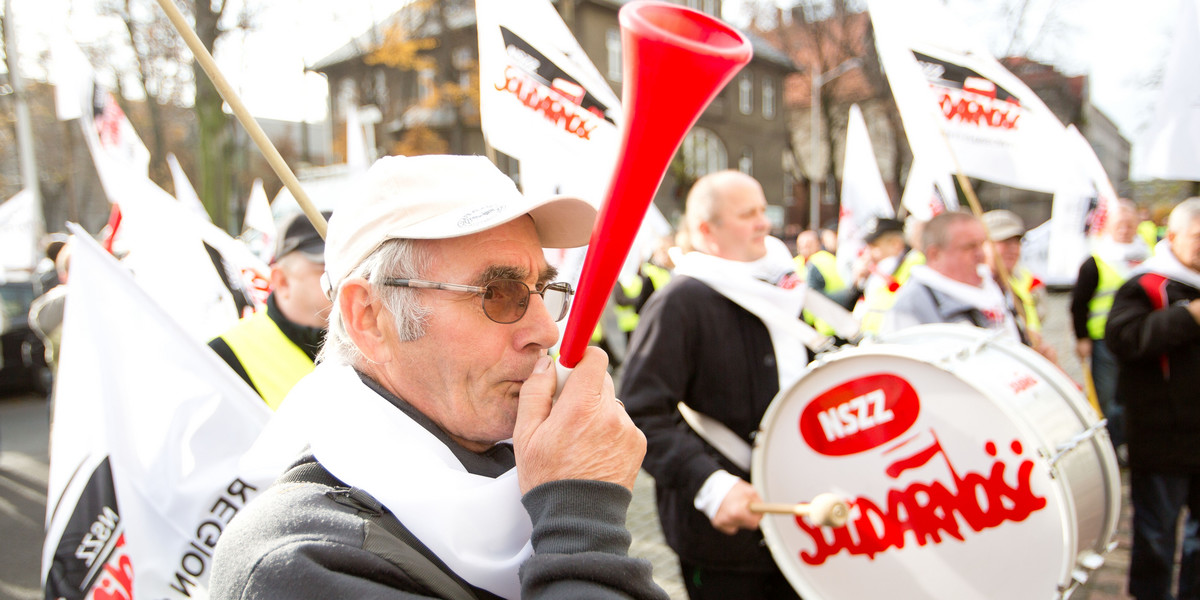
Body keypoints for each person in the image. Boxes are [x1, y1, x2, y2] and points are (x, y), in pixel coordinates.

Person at [209, 155, 665, 600]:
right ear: (370, 317)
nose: (546, 330)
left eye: (544, 290)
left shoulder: (517, 461)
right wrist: (582, 513)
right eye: (498, 294)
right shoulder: (296, 566)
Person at [620, 170, 808, 600]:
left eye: (763, 210)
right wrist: (710, 484)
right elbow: (638, 413)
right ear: (708, 230)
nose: (765, 223)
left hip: (795, 523)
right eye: (748, 215)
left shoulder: (782, 289)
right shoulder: (680, 302)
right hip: (725, 545)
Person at [1105, 197, 1200, 600]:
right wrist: (1188, 316)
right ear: (1173, 237)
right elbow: (1124, 339)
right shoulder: (1144, 283)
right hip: (1164, 438)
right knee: (1157, 539)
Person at [208, 212, 333, 410]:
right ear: (282, 282)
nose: (348, 279)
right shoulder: (222, 357)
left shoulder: (377, 343)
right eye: (328, 270)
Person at [1071, 198, 1148, 459]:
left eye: (1129, 224)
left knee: (1133, 396)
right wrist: (1082, 337)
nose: (1125, 229)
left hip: (1140, 338)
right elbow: (1079, 303)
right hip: (1105, 340)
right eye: (1120, 225)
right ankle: (1111, 450)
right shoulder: (1096, 260)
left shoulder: (1146, 256)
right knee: (1108, 400)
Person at [881, 211, 1022, 342]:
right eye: (969, 247)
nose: (981, 255)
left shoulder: (989, 287)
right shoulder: (913, 305)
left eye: (982, 244)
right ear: (935, 254)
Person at [981, 209, 1056, 361]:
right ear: (982, 245)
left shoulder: (1020, 281)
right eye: (1004, 242)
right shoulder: (976, 288)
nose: (1013, 248)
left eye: (1017, 242)